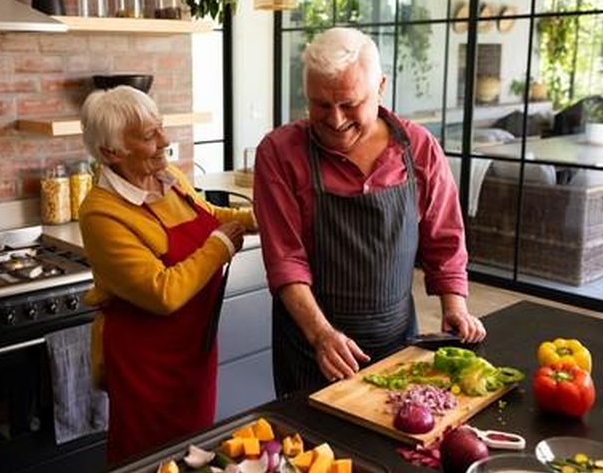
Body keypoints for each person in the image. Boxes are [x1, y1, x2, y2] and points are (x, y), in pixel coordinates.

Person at [253, 27, 486, 398]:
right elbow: (285, 261)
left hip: (397, 339)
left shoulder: (419, 148)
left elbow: (444, 239)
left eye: (349, 103)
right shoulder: (279, 153)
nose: (335, 119)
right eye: (321, 105)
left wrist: (454, 305)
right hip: (311, 346)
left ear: (380, 86)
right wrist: (321, 335)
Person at [77, 85, 258, 463]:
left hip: (193, 348)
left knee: (196, 452)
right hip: (146, 363)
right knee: (150, 459)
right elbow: (163, 292)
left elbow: (208, 215)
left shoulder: (168, 176)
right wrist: (221, 246)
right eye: (149, 136)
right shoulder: (101, 212)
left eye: (161, 128)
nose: (166, 141)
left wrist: (259, 219)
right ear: (112, 152)